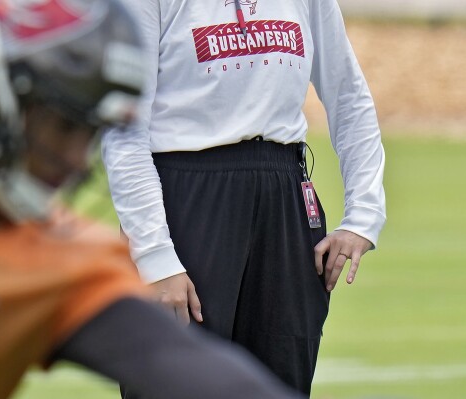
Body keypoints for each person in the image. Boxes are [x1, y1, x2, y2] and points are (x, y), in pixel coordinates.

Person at [0, 1, 305, 398]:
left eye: (91, 132)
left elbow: (183, 365)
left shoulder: (62, 258)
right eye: (63, 124)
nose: (77, 158)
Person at [102, 0, 386, 397]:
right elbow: (123, 129)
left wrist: (364, 216)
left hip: (284, 194)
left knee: (279, 385)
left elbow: (348, 95)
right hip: (184, 201)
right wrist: (154, 257)